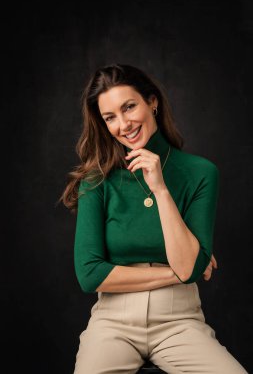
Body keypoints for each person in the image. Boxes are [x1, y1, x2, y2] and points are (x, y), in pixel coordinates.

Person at [59, 63, 248, 373]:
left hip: (180, 321)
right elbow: (90, 275)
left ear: (153, 102)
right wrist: (181, 273)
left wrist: (160, 189)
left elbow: (189, 267)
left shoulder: (200, 173)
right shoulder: (96, 181)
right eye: (110, 117)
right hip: (112, 324)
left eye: (129, 107)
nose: (123, 124)